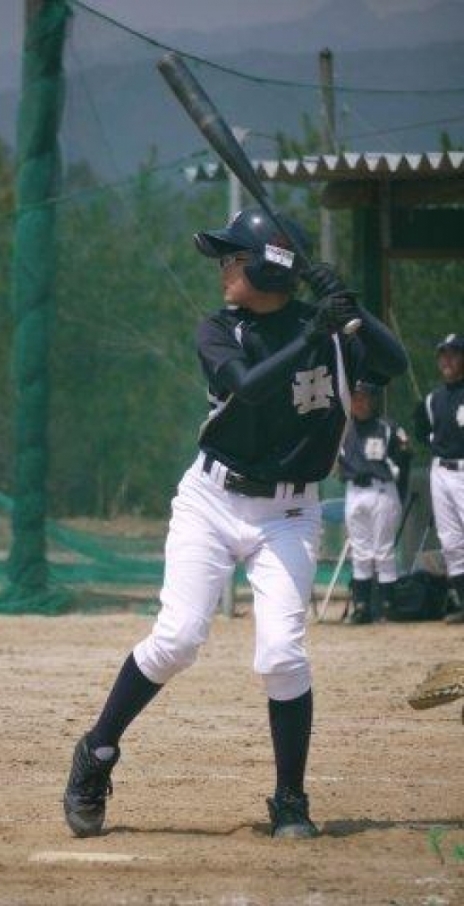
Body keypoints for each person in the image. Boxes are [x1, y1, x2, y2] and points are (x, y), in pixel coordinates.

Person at [63, 208, 408, 840]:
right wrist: (316, 332)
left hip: (290, 512)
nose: (223, 269)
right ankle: (97, 751)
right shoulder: (221, 328)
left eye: (234, 258)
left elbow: (395, 360)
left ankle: (290, 800)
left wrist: (349, 305)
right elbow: (247, 386)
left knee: (282, 653)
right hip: (212, 503)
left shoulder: (330, 328)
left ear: (269, 267)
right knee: (178, 639)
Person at [337, 380, 412, 624]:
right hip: (354, 491)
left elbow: (404, 459)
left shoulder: (387, 427)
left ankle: (388, 606)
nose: (358, 403)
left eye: (363, 398)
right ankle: (362, 607)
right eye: (355, 398)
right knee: (360, 551)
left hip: (381, 490)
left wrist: (399, 493)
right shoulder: (344, 429)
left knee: (383, 550)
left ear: (373, 400)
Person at [414, 333, 464, 623]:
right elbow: (424, 433)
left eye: (454, 354)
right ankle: (462, 603)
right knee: (451, 541)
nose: (447, 359)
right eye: (443, 354)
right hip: (440, 472)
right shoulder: (433, 399)